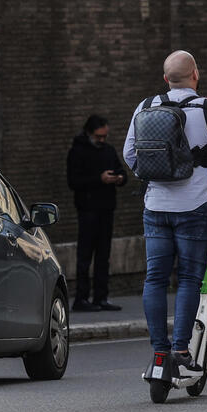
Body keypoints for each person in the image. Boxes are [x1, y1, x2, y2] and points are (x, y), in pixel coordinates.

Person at [123, 50, 207, 371]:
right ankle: (180, 352)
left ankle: (159, 352)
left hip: (155, 207)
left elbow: (131, 155)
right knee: (188, 278)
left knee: (154, 279)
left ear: (165, 79)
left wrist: (156, 177)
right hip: (195, 206)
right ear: (195, 75)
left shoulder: (145, 107)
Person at [66, 114, 127, 312]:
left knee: (103, 256)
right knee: (85, 255)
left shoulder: (108, 150)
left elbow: (123, 172)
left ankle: (101, 297)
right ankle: (81, 298)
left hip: (106, 208)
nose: (102, 140)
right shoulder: (77, 151)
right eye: (99, 137)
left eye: (104, 137)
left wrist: (119, 178)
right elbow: (73, 182)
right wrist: (99, 179)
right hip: (87, 209)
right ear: (89, 133)